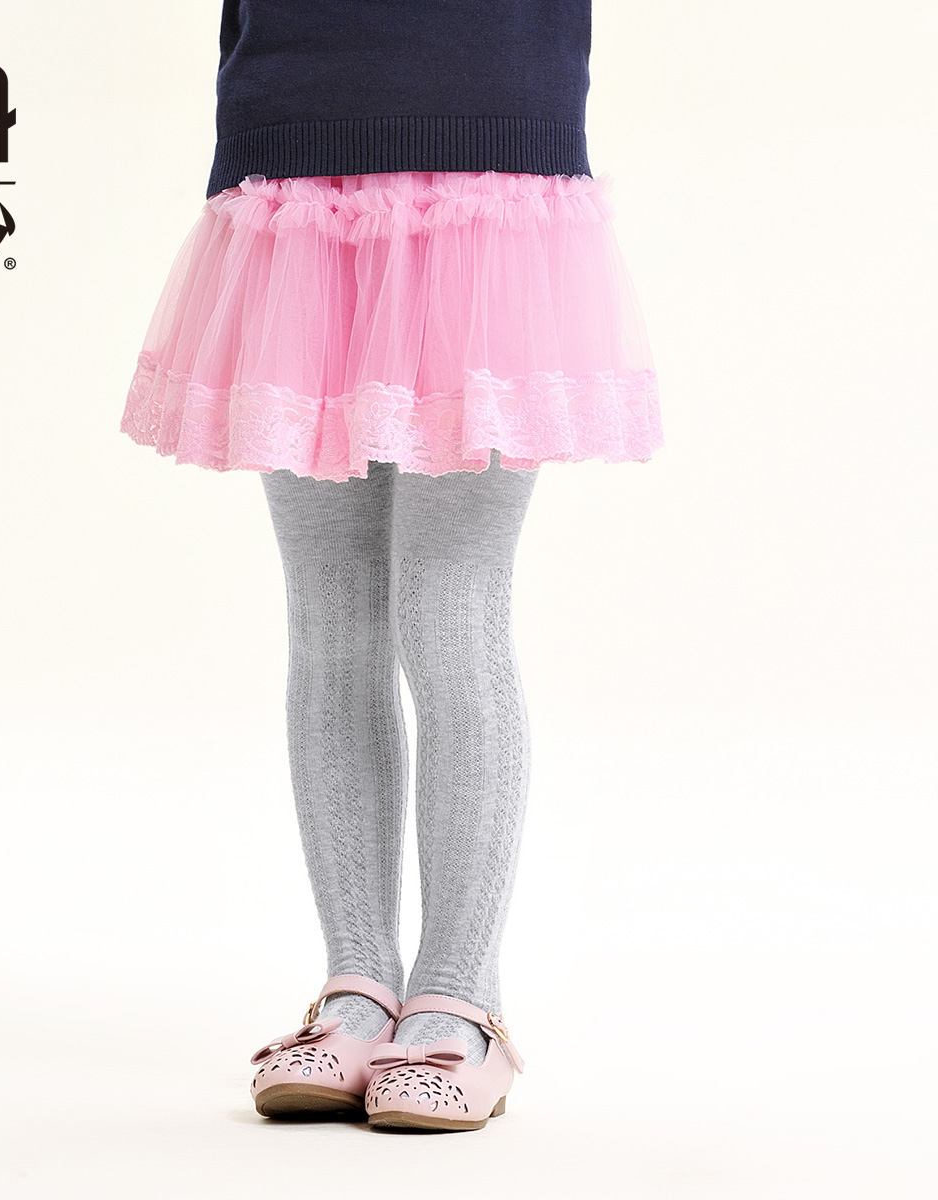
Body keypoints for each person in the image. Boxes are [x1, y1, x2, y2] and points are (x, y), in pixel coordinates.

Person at [120, 0, 662, 1133]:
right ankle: (358, 986)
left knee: (448, 611)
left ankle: (462, 998)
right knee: (332, 620)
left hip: (488, 130)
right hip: (294, 137)